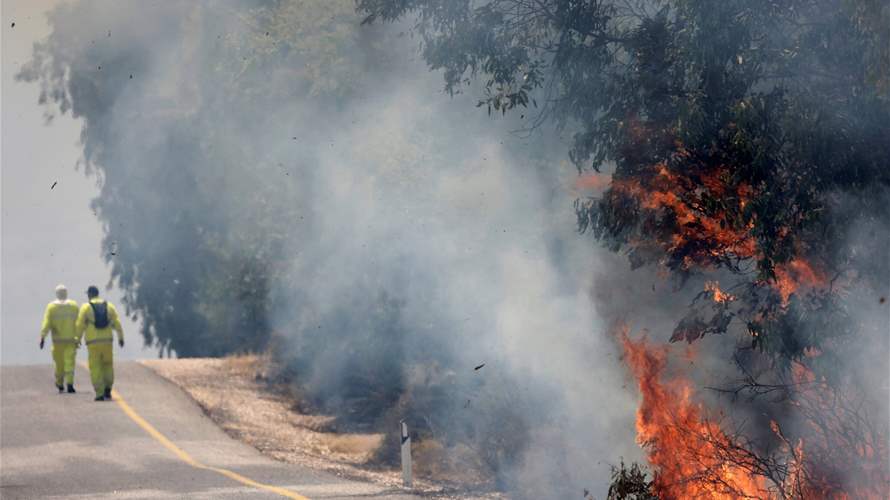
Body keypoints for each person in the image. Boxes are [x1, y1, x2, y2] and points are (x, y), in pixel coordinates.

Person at [76, 286, 124, 401]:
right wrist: (121, 338)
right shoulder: (109, 306)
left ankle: (99, 393)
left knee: (96, 367)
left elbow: (80, 325)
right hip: (107, 340)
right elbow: (117, 323)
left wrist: (77, 339)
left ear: (89, 294)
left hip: (93, 342)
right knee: (107, 365)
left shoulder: (86, 307)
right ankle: (108, 388)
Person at [40, 284, 80, 393]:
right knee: (70, 362)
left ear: (56, 294)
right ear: (66, 293)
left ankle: (60, 383)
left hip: (57, 342)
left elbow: (46, 323)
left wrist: (43, 337)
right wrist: (79, 338)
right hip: (71, 340)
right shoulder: (73, 306)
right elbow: (79, 323)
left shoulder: (51, 307)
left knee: (59, 364)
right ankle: (70, 384)